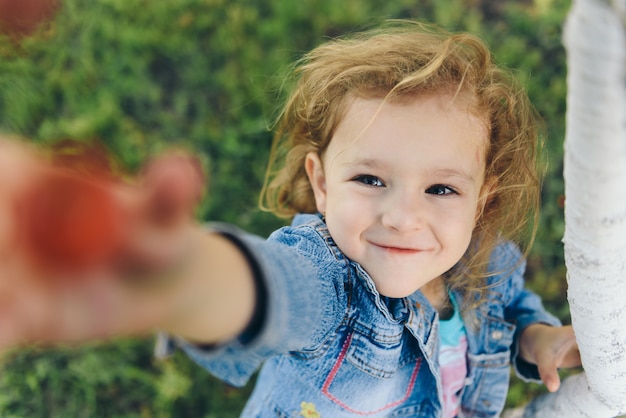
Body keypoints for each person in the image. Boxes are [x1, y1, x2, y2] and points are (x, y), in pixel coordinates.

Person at [0, 21, 581, 417]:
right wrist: (179, 278)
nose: (403, 216)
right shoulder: (332, 286)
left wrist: (536, 338)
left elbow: (508, 311)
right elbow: (272, 290)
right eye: (370, 179)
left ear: (481, 200)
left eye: (441, 188)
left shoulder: (490, 260)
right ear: (322, 183)